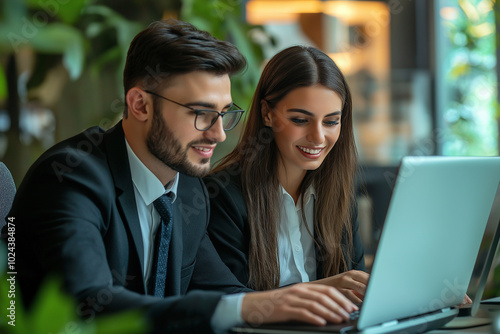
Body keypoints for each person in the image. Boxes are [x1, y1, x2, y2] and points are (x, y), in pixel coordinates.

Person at [8, 21, 358, 333]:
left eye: (224, 114)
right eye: (202, 113)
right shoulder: (70, 178)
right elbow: (90, 306)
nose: (219, 134)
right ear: (140, 105)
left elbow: (224, 293)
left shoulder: (187, 188)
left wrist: (316, 294)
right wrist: (246, 306)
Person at [204, 45, 369, 303]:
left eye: (330, 121)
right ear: (267, 114)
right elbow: (230, 303)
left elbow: (356, 289)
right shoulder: (222, 195)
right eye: (300, 120)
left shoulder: (338, 195)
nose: (318, 137)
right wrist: (325, 289)